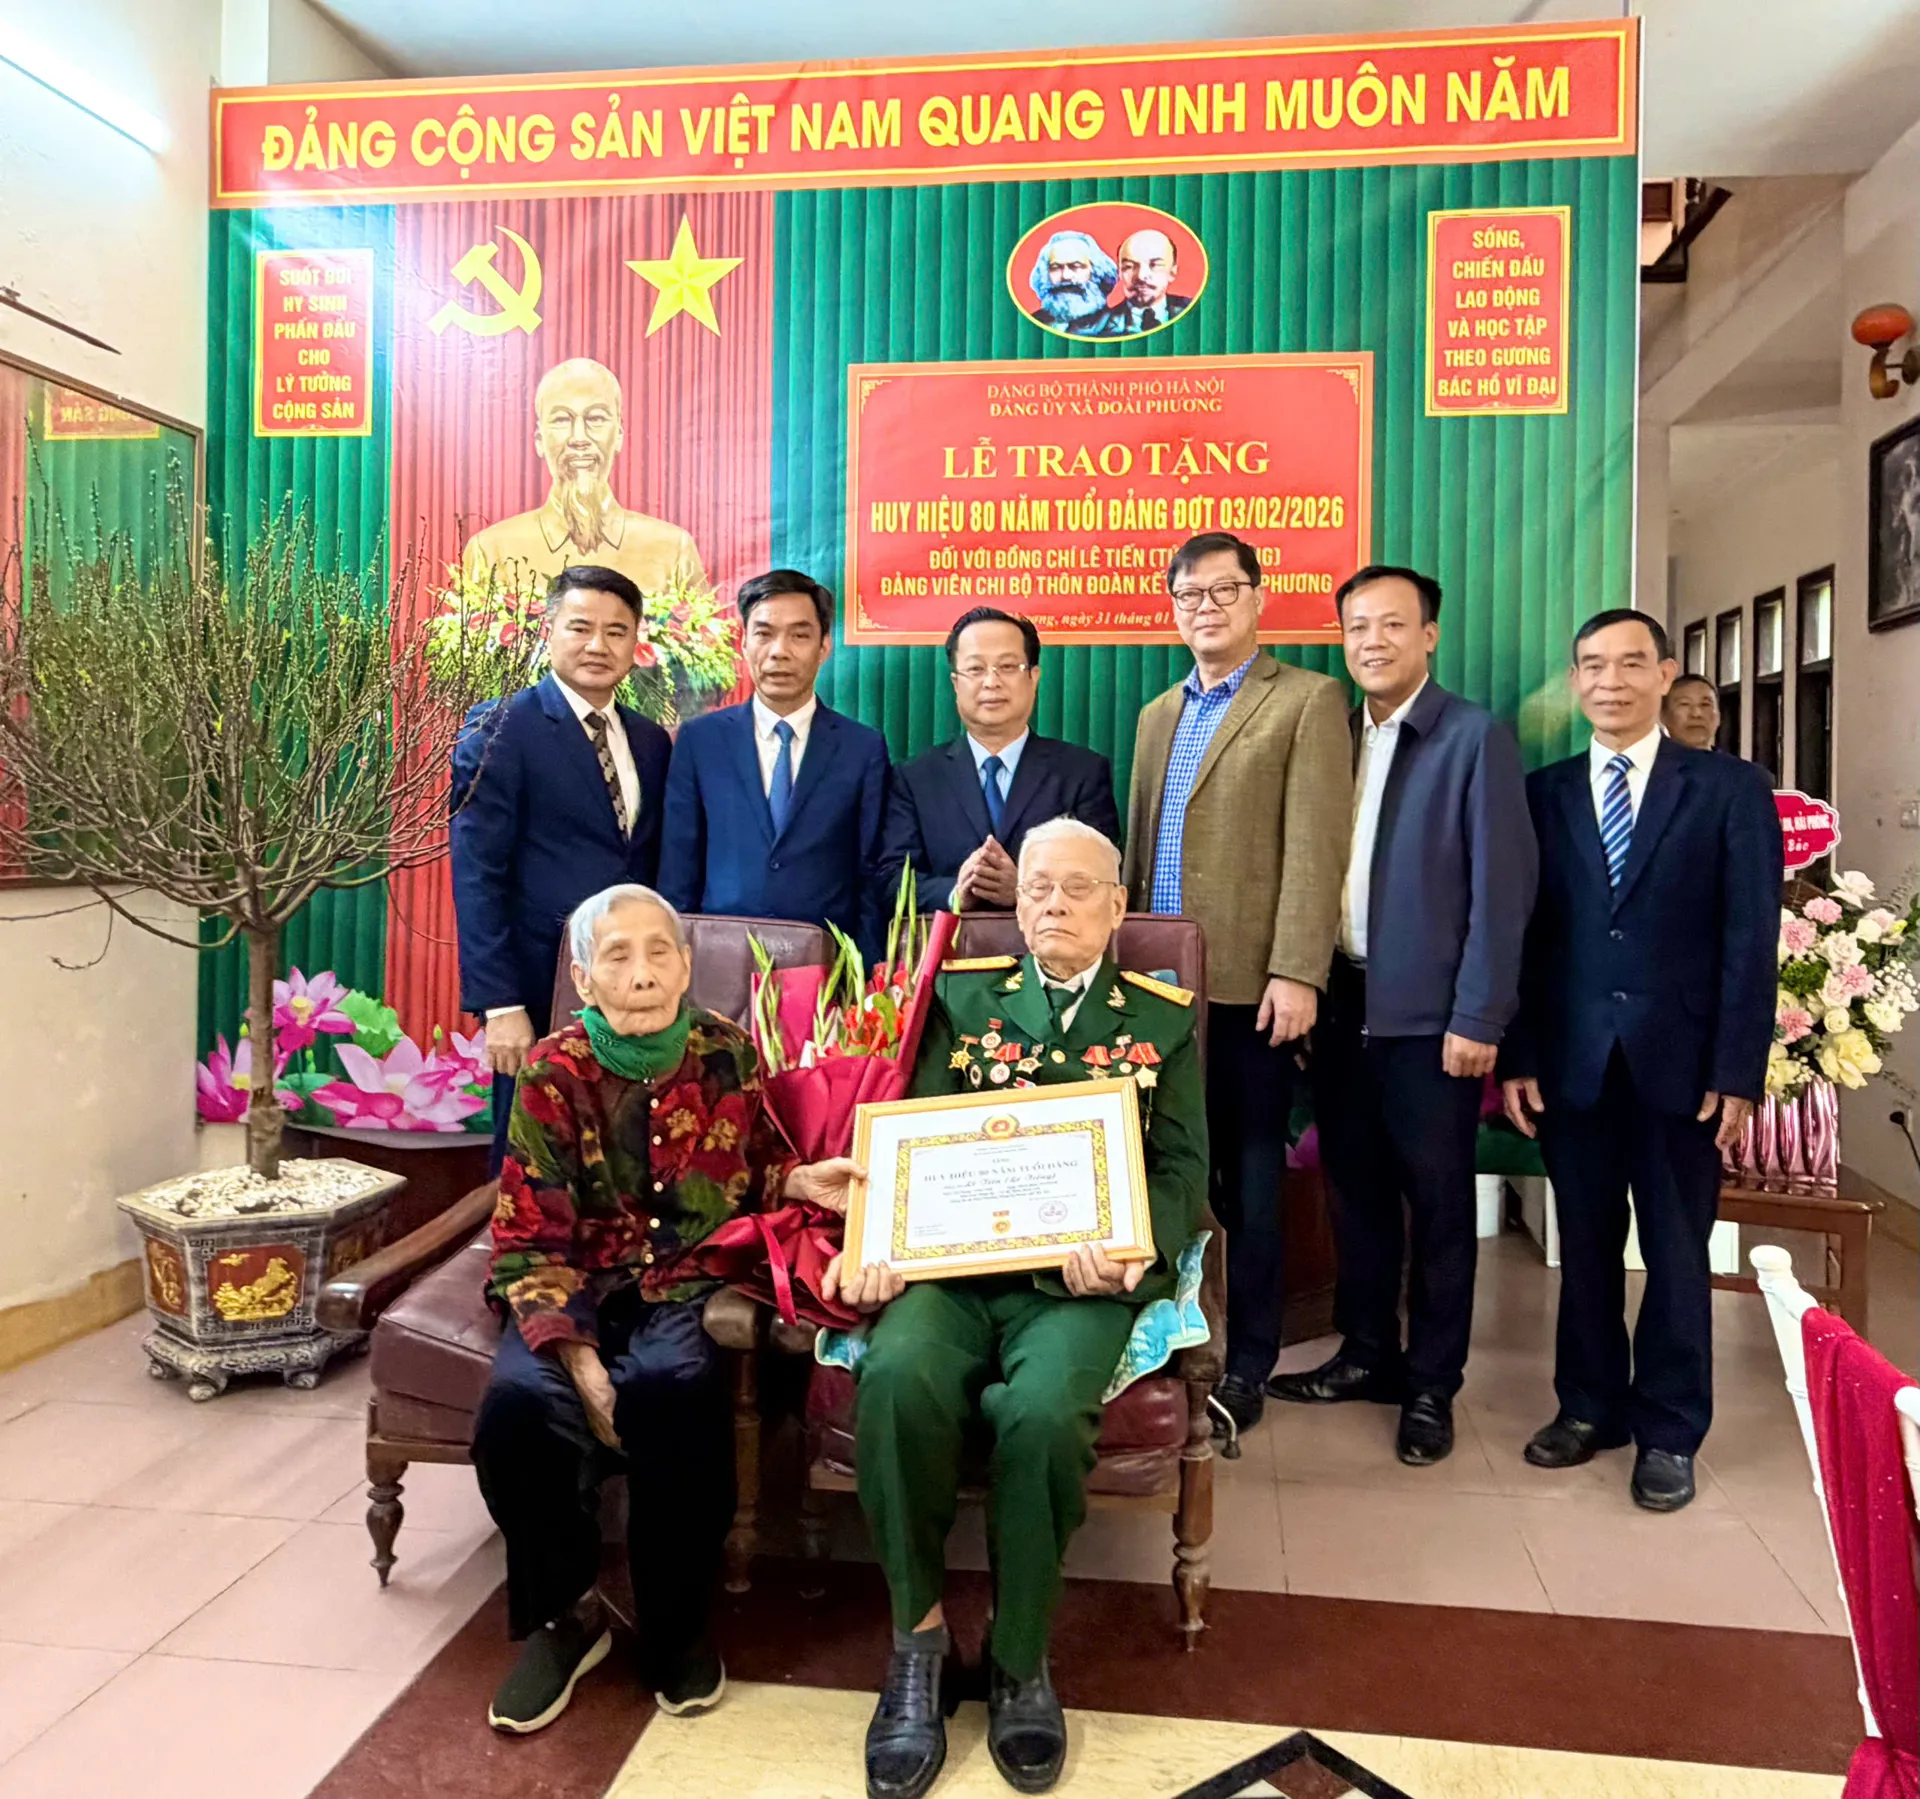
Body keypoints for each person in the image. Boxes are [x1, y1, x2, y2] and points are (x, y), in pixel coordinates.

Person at [827, 817, 1207, 1799]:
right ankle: (918, 1639)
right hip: (955, 1271)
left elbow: (1180, 1167)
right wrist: (877, 1244)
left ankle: (1019, 1651)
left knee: (1041, 1413)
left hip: (1078, 1282)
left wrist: (1133, 1246)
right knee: (898, 1378)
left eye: (1076, 888)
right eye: (1036, 887)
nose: (1052, 905)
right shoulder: (962, 997)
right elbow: (905, 1136)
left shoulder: (1160, 1019)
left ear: (1118, 907)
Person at [472, 884, 860, 1733]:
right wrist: (581, 1363)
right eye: (618, 956)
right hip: (570, 1281)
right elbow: (528, 1235)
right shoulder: (552, 1072)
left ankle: (675, 1623)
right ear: (583, 977)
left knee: (674, 1389)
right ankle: (566, 1615)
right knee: (520, 1407)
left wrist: (801, 1179)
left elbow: (752, 1170)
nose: (642, 973)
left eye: (659, 952)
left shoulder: (727, 1052)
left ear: (686, 966)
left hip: (684, 1282)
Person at [1499, 610, 1781, 1513]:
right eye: (1592, 665)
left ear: (1664, 675)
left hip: (1682, 1067)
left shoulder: (1730, 789)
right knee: (1584, 1248)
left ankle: (1669, 1430)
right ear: (1575, 681)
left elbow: (1751, 939)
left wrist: (1736, 1071)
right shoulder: (1543, 792)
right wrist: (1519, 1052)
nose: (1610, 681)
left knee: (1674, 1251)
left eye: (1629, 664)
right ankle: (1588, 1407)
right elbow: (1526, 936)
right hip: (1572, 1061)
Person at [1267, 567, 1536, 1464]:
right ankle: (1367, 1351)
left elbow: (1503, 892)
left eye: (1392, 624)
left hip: (1433, 1021)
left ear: (1430, 635)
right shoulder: (1334, 736)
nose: (1372, 641)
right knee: (1356, 1192)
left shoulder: (1472, 737)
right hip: (1342, 1006)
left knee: (1441, 1204)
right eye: (1356, 627)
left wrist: (1480, 1016)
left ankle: (1431, 1383)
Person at [1124, 531, 1350, 1436]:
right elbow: (1140, 853)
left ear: (1259, 598)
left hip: (1253, 987)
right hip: (1157, 987)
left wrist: (1298, 971)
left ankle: (1247, 1360)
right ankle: (1167, 1339)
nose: (1207, 608)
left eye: (1224, 590)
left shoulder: (1305, 699)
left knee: (1252, 1177)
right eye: (1190, 595)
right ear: (1173, 609)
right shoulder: (1156, 714)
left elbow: (1317, 847)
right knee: (1164, 1169)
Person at [452, 564, 673, 1174]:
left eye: (616, 631)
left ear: (635, 642)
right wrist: (500, 1004)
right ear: (549, 631)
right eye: (580, 627)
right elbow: (477, 872)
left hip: (632, 989)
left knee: (623, 1149)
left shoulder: (650, 741)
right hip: (538, 988)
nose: (598, 645)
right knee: (534, 1155)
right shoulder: (501, 728)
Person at [661, 570, 891, 949]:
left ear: (824, 647)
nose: (779, 651)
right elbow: (678, 869)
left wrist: (862, 970)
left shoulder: (862, 748)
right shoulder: (700, 741)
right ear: (744, 643)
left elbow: (871, 874)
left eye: (799, 636)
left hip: (825, 962)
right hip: (720, 956)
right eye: (764, 634)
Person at [883, 607, 1120, 912]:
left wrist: (1025, 888)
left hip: (1050, 941)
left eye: (1007, 666)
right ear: (956, 684)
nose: (991, 682)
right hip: (950, 941)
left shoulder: (1082, 773)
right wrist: (956, 893)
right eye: (976, 669)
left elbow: (1102, 877)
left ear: (1034, 678)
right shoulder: (915, 779)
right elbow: (890, 880)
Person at [460, 357, 708, 600]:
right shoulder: (491, 552)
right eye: (561, 420)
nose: (579, 438)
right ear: (539, 440)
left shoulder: (673, 551)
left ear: (618, 435)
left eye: (596, 419)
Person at [1074, 228, 1193, 336]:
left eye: (1155, 265)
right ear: (1120, 272)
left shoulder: (1196, 314)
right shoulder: (1095, 327)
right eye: (1129, 266)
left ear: (1172, 272)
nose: (1141, 276)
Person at [1026, 230, 1118, 334]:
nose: (1066, 276)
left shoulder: (1115, 325)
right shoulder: (1033, 323)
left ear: (1096, 272)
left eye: (1076, 266)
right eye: (1055, 268)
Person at [1661, 672, 1722, 751]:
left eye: (1705, 704)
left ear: (1718, 716)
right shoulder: (1649, 758)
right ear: (1663, 715)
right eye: (1684, 704)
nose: (1696, 714)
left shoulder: (1730, 760)